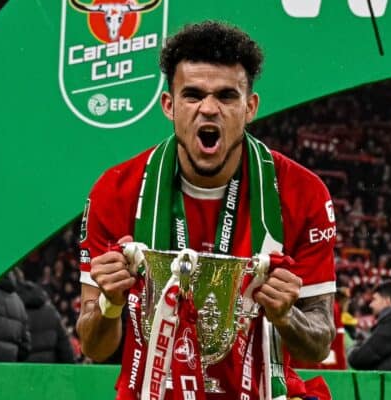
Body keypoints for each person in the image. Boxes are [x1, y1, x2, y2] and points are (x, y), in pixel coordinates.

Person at [76, 21, 337, 400]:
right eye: (193, 95)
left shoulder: (303, 193)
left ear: (250, 107)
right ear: (169, 105)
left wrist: (286, 315)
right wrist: (109, 302)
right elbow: (94, 347)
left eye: (227, 96)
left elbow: (319, 344)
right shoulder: (116, 191)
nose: (209, 109)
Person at [17, 279, 76, 363]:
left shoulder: (16, 312)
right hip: (49, 372)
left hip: (24, 371)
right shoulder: (51, 312)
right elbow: (65, 348)